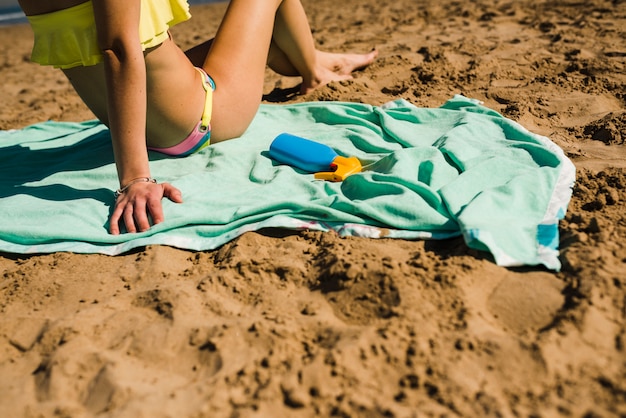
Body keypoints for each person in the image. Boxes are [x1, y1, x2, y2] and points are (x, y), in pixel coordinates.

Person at [17, 0, 378, 235]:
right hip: (203, 115)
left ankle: (315, 59)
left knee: (270, 46)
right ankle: (315, 70)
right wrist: (135, 178)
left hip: (135, 120)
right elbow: (118, 48)